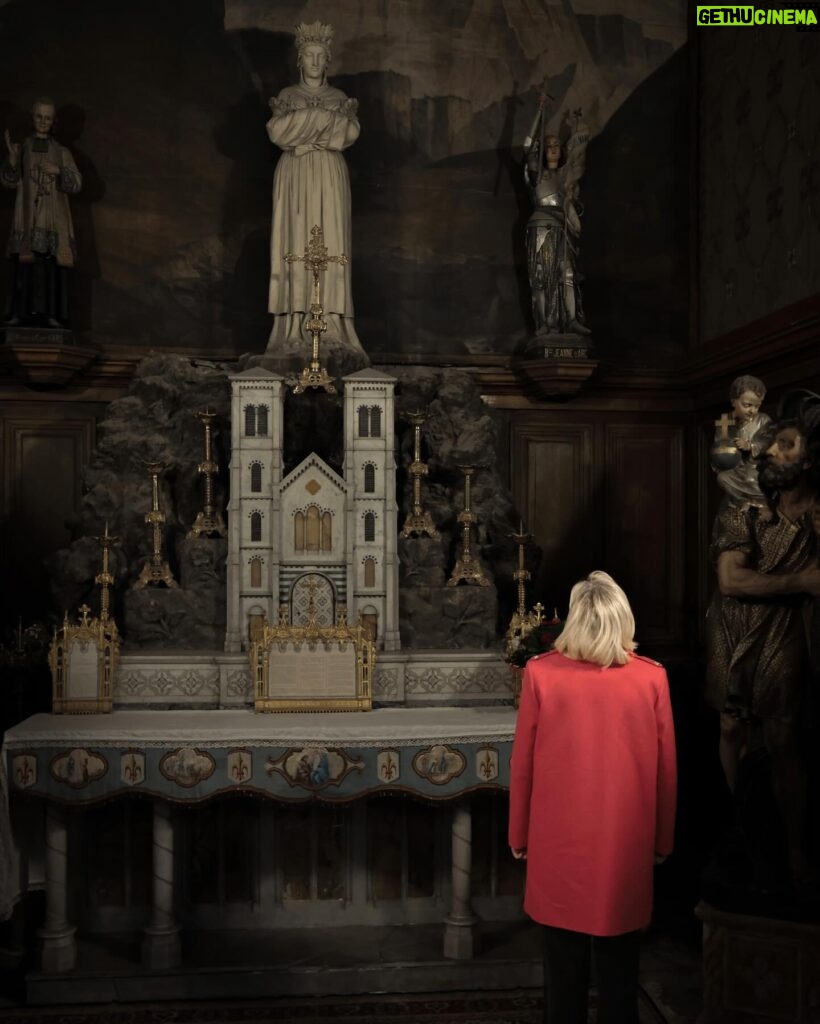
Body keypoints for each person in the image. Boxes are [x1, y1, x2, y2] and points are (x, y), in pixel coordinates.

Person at [509, 571, 677, 1024]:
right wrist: (662, 843)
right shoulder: (651, 680)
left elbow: (522, 765)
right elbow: (666, 774)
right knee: (620, 980)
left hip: (558, 849)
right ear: (622, 617)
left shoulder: (540, 674)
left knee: (563, 980)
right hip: (624, 851)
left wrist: (519, 835)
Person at [705, 390, 820, 885]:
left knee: (781, 735)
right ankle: (741, 825)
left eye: (786, 446)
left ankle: (795, 847)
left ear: (810, 459)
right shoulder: (744, 508)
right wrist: (802, 581)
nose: (772, 452)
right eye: (773, 444)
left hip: (788, 630)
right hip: (732, 626)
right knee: (732, 727)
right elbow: (731, 580)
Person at [265, 20, 363, 355]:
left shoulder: (338, 98)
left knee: (332, 242)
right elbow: (277, 133)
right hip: (295, 175)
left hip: (329, 175)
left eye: (321, 55)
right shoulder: (288, 97)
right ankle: (293, 325)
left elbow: (350, 134)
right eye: (310, 55)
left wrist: (304, 126)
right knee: (295, 242)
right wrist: (324, 124)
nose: (316, 62)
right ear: (300, 60)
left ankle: (332, 325)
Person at [1, 96, 82, 327]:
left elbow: (76, 183)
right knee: (24, 265)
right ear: (32, 117)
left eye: (48, 118)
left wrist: (58, 170)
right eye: (39, 116)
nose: (43, 121)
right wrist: (14, 160)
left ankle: (51, 314)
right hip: (25, 216)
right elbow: (7, 181)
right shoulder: (22, 148)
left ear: (53, 121)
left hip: (51, 218)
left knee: (49, 266)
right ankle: (19, 313)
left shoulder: (62, 152)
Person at [523, 99, 589, 336]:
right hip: (541, 227)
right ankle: (544, 325)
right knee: (541, 276)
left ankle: (571, 320)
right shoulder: (537, 175)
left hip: (562, 228)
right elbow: (527, 146)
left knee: (567, 275)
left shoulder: (563, 178)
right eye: (549, 145)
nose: (553, 148)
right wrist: (540, 111)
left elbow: (570, 199)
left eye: (556, 145)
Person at [711, 374, 774, 508]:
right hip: (734, 471)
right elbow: (719, 447)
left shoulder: (763, 420)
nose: (753, 410)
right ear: (734, 401)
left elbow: (769, 444)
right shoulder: (725, 421)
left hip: (756, 469)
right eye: (747, 405)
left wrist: (750, 446)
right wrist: (722, 457)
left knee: (756, 480)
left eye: (757, 406)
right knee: (723, 478)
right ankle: (743, 502)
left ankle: (759, 501)